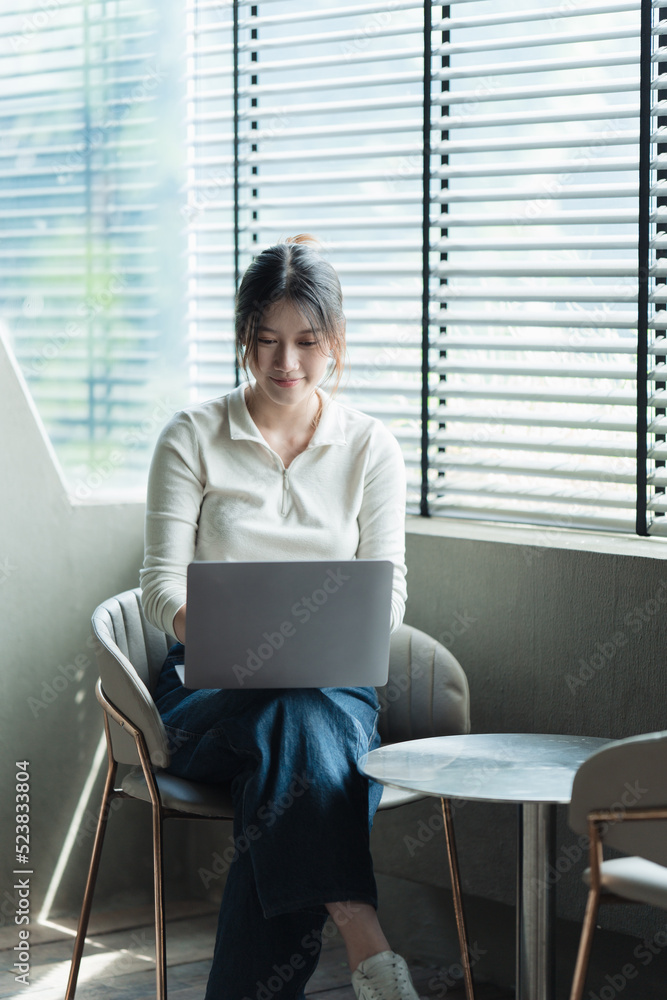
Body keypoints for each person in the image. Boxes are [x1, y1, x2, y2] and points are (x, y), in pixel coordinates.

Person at [140, 235, 419, 1000]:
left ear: (334, 342)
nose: (284, 363)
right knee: (297, 729)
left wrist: (313, 645)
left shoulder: (370, 446)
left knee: (290, 736)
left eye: (305, 343)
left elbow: (386, 593)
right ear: (242, 338)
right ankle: (366, 940)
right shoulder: (191, 437)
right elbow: (158, 588)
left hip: (331, 691)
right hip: (206, 690)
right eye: (265, 342)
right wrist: (222, 632)